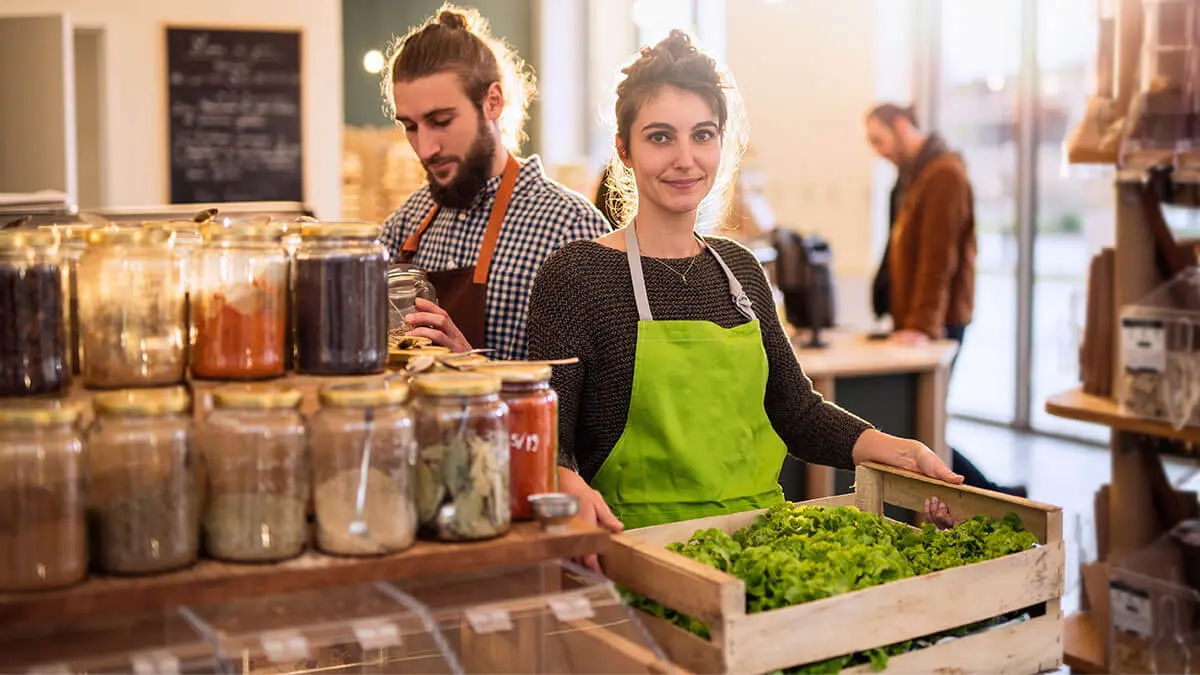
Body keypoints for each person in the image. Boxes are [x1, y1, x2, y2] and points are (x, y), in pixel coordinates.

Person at [527, 30, 963, 538]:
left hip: (758, 542)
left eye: (703, 134)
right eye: (660, 136)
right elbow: (547, 442)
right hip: (637, 552)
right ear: (625, 150)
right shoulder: (577, 275)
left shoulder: (740, 270)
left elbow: (795, 411)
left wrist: (898, 448)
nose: (685, 158)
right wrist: (565, 481)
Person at [380, 4, 611, 361]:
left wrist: (472, 367)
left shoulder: (570, 228)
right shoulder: (407, 224)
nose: (425, 148)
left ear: (492, 102)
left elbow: (593, 394)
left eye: (440, 120)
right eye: (410, 126)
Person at [864, 103, 1027, 498]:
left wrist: (921, 326)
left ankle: (994, 496)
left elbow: (939, 259)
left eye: (879, 140)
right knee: (924, 422)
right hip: (922, 321)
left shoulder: (943, 175)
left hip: (938, 323)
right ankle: (997, 492)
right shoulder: (915, 176)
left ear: (902, 126)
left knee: (926, 423)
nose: (877, 150)